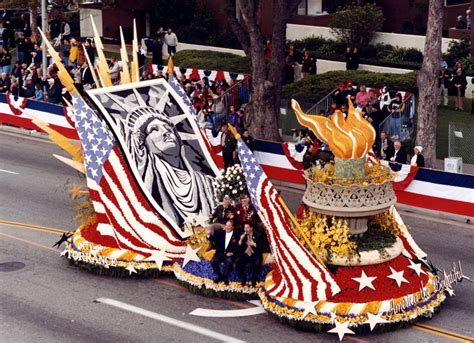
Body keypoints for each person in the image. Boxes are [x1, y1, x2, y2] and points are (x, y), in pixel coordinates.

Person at [207, 220, 241, 284]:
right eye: (226, 225)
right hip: (219, 253)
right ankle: (220, 276)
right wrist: (208, 234)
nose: (227, 227)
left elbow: (238, 247)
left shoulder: (236, 235)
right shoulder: (220, 232)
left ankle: (224, 276)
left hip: (229, 254)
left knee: (229, 261)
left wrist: (232, 253)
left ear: (232, 227)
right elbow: (212, 238)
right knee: (213, 262)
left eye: (229, 226)